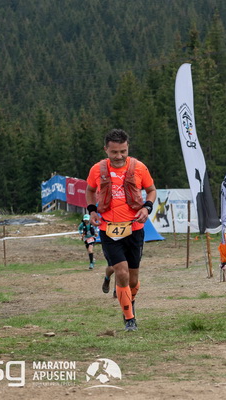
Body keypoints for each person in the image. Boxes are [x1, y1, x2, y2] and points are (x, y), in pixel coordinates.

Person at [85, 129, 157, 332]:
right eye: (114, 152)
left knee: (133, 279)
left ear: (128, 148)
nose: (119, 156)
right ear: (106, 150)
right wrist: (92, 210)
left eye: (123, 151)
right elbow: (90, 190)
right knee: (122, 272)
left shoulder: (139, 167)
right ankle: (129, 319)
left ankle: (129, 303)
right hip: (108, 228)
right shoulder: (97, 169)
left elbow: (151, 190)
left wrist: (147, 208)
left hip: (134, 228)